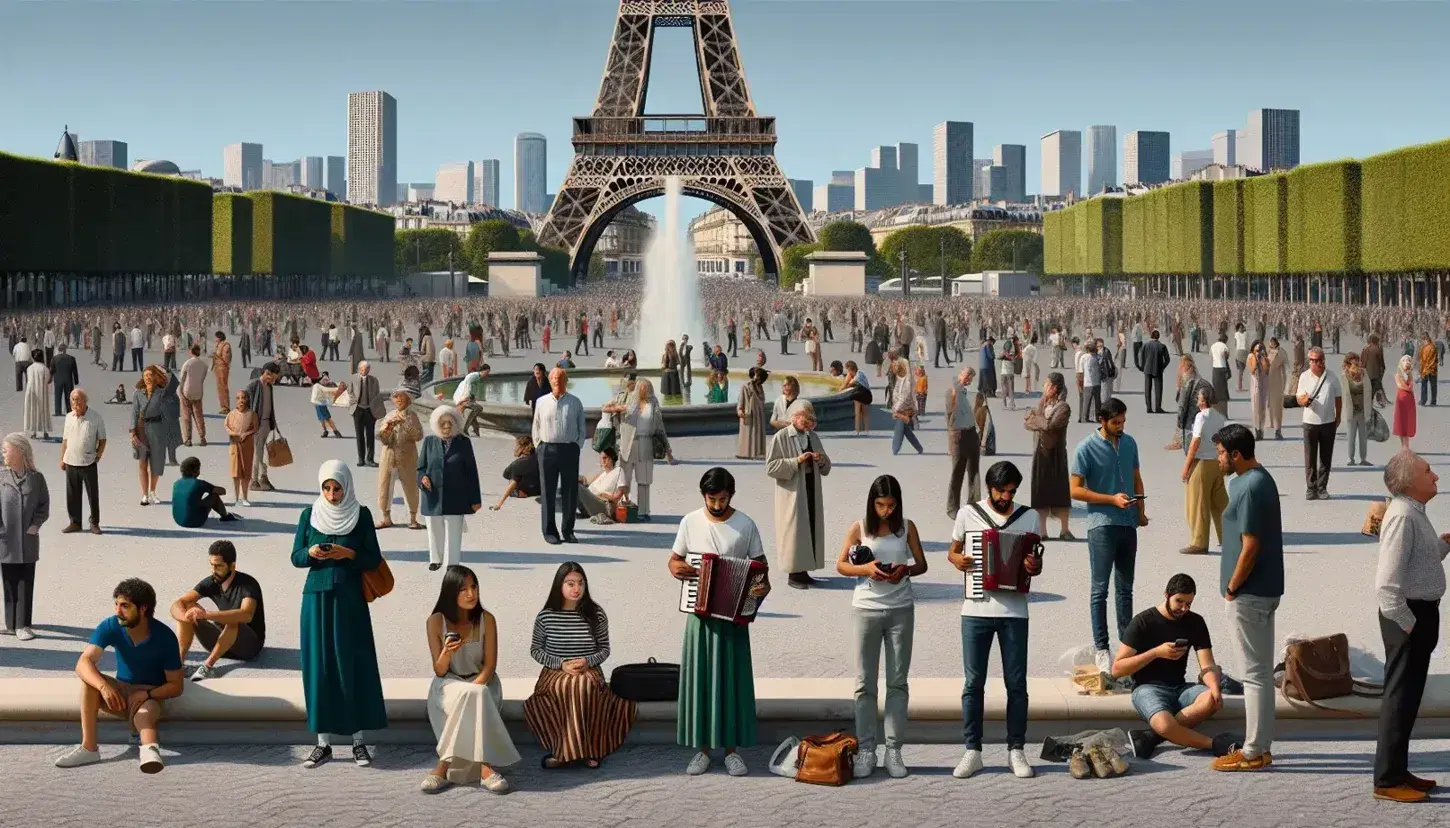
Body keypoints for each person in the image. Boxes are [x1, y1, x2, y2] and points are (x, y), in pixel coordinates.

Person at [669, 468, 770, 776]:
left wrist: (758, 591)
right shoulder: (690, 521)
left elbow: (761, 571)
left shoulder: (745, 524)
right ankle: (701, 750)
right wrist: (679, 569)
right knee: (700, 681)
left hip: (733, 618)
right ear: (704, 496)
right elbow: (674, 560)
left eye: (722, 499)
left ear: (731, 496)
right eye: (711, 499)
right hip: (699, 617)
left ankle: (731, 751)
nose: (716, 505)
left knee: (732, 682)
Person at [947, 461, 1044, 780]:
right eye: (1001, 490)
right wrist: (957, 560)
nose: (1006, 496)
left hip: (1015, 612)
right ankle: (972, 751)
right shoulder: (967, 513)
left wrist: (1033, 567)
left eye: (1012, 491)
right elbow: (953, 551)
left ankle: (1016, 750)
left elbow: (1035, 561)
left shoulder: (1030, 517)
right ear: (989, 487)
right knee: (973, 684)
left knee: (1017, 685)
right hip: (975, 610)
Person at [293, 461, 388, 768]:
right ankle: (323, 743)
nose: (332, 495)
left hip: (350, 600)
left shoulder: (361, 515)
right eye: (327, 488)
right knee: (319, 668)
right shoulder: (309, 514)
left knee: (352, 664)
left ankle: (359, 742)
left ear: (347, 487)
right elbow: (295, 556)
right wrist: (311, 553)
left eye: (337, 488)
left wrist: (349, 554)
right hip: (316, 599)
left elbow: (373, 557)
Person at [835, 475, 927, 778]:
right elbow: (841, 565)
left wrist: (906, 570)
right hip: (866, 609)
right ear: (871, 503)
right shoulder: (859, 527)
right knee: (864, 684)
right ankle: (866, 750)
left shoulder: (907, 527)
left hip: (901, 610)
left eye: (890, 505)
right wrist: (866, 569)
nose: (885, 511)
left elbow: (922, 564)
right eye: (880, 505)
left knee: (898, 683)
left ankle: (894, 750)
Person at [1372, 451, 1448, 802]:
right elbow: (1387, 587)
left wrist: (1442, 547)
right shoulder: (1402, 516)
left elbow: (1420, 559)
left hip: (1417, 615)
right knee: (1399, 699)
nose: (1435, 476)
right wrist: (1410, 626)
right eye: (1427, 471)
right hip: (1407, 617)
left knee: (1409, 697)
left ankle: (1398, 771)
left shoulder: (1414, 512)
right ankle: (1387, 781)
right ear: (1408, 482)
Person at [1211, 423, 1283, 773]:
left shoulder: (1251, 485)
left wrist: (1232, 586)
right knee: (1261, 674)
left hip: (1249, 594)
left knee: (1253, 676)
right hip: (1263, 590)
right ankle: (1261, 747)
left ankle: (1253, 750)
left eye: (1222, 453)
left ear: (1236, 455)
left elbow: (1251, 545)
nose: (1218, 459)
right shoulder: (1254, 480)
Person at [54, 579, 183, 773]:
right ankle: (89, 748)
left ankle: (149, 751)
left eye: (125, 606)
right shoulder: (111, 626)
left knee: (145, 713)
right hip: (120, 693)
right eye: (116, 604)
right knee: (89, 682)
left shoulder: (165, 637)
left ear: (143, 609)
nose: (117, 611)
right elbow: (83, 663)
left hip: (150, 695)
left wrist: (147, 694)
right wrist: (104, 687)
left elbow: (176, 685)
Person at [1114, 574, 1238, 760]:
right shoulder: (1143, 622)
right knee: (1164, 724)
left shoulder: (1195, 622)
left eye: (1189, 603)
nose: (1183, 608)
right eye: (1179, 601)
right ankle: (1214, 744)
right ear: (1166, 595)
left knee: (1211, 698)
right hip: (1147, 688)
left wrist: (1214, 687)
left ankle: (1151, 736)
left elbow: (1208, 665)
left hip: (1180, 688)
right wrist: (1155, 652)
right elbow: (1117, 669)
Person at [525, 562, 636, 769]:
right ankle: (580, 751)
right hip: (554, 672)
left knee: (582, 685)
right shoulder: (546, 616)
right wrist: (561, 665)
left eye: (581, 583)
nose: (576, 589)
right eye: (570, 584)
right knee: (566, 686)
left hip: (589, 670)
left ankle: (567, 753)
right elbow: (536, 650)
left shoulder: (596, 614)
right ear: (560, 586)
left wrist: (587, 661)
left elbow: (604, 649)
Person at [421, 564, 519, 794]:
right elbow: (440, 671)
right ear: (450, 592)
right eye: (463, 588)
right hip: (449, 684)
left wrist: (474, 689)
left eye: (474, 587)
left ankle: (442, 768)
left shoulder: (487, 619)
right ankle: (487, 769)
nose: (471, 593)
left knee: (475, 694)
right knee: (471, 696)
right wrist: (447, 652)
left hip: (483, 683)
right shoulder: (436, 621)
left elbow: (490, 666)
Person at [1070, 397, 1147, 673]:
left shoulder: (1129, 443)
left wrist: (1140, 512)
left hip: (1128, 524)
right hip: (1101, 524)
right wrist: (1110, 500)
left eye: (1123, 421)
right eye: (1116, 422)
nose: (1121, 427)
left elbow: (1137, 477)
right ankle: (1102, 648)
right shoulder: (1085, 448)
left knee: (1125, 590)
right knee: (1099, 590)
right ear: (1102, 421)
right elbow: (1075, 490)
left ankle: (1126, 650)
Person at [170, 540, 266, 681]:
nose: (213, 570)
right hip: (222, 644)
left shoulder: (248, 584)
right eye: (212, 565)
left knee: (234, 621)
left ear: (232, 566)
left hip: (248, 647)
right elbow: (177, 604)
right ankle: (179, 664)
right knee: (189, 607)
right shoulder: (212, 581)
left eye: (219, 566)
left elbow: (246, 615)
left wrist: (207, 615)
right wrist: (187, 617)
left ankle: (208, 667)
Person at [766, 400, 832, 589]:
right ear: (794, 416)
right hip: (792, 492)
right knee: (794, 531)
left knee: (810, 526)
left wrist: (821, 460)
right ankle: (794, 574)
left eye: (811, 418)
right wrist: (796, 461)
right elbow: (771, 467)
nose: (808, 422)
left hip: (811, 487)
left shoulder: (813, 437)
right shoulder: (781, 437)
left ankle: (804, 571)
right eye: (805, 417)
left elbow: (827, 467)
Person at [418, 406, 481, 571]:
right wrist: (422, 478)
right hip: (433, 495)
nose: (446, 427)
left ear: (456, 424)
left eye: (449, 423)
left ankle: (452, 562)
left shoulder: (464, 442)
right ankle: (435, 559)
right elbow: (420, 468)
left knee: (454, 530)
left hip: (456, 495)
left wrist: (475, 499)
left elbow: (471, 472)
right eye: (442, 423)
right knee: (433, 528)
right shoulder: (429, 441)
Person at [1, 434, 49, 641]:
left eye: (6, 449)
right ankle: (10, 624)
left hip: (28, 540)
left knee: (25, 582)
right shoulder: (1, 477)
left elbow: (43, 505)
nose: (3, 452)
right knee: (9, 581)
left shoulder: (36, 478)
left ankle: (24, 625)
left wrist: (35, 524)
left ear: (19, 451)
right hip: (5, 539)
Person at [533, 368, 586, 546]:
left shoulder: (575, 402)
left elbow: (582, 427)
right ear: (550, 380)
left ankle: (568, 530)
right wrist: (539, 446)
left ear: (566, 380)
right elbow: (536, 425)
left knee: (570, 491)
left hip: (569, 449)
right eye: (554, 378)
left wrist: (577, 446)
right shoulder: (541, 402)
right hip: (547, 449)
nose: (557, 381)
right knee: (547, 491)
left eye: (561, 378)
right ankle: (549, 531)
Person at [1024, 371, 1072, 539]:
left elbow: (1051, 425)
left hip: (1057, 453)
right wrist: (1037, 419)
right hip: (1040, 452)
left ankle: (1065, 530)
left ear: (1054, 387)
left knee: (1060, 491)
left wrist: (1036, 419)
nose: (1044, 386)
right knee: (1040, 491)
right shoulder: (1042, 404)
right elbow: (1027, 422)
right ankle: (1042, 531)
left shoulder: (1063, 407)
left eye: (1046, 384)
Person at [1180, 386, 1227, 555]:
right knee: (1220, 503)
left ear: (1203, 400)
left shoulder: (1201, 417)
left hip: (1201, 463)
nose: (1196, 399)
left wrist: (1186, 466)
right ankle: (1228, 537)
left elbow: (1195, 442)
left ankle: (1199, 542)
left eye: (1198, 397)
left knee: (1198, 504)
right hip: (1216, 463)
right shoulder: (1220, 417)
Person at [617, 377, 666, 521]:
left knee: (644, 479)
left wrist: (667, 449)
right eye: (641, 387)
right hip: (629, 442)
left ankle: (644, 511)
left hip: (646, 442)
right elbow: (617, 414)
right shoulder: (629, 400)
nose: (643, 390)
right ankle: (625, 507)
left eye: (646, 387)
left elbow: (659, 425)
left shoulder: (654, 402)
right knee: (624, 477)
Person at [1298, 346, 1342, 500]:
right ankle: (1311, 488)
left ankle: (1322, 487)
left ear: (1323, 361)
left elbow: (1338, 397)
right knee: (1310, 457)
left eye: (1316, 360)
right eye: (1311, 360)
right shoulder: (1304, 376)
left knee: (1325, 456)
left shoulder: (1332, 378)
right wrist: (1304, 400)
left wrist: (1338, 416)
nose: (1313, 363)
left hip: (1328, 421)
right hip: (1310, 422)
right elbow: (1299, 397)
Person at [60, 389, 105, 534]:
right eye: (73, 399)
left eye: (78, 399)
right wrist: (62, 459)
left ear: (85, 401)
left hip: (88, 462)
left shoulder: (96, 417)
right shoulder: (68, 417)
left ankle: (94, 523)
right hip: (70, 461)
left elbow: (103, 439)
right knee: (72, 494)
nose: (75, 402)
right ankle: (75, 522)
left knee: (92, 494)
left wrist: (98, 456)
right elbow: (65, 440)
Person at [131, 366, 178, 505]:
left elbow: (173, 382)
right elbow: (133, 413)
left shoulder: (161, 393)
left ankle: (153, 491)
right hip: (141, 429)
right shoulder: (138, 394)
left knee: (156, 463)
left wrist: (162, 368)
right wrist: (132, 432)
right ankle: (144, 495)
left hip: (158, 429)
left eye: (150, 375)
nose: (148, 378)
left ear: (155, 377)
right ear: (142, 378)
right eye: (145, 376)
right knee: (142, 462)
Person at [945, 367, 981, 518]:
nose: (968, 380)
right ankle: (952, 508)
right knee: (957, 473)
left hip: (971, 433)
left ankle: (974, 505)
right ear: (960, 375)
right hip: (958, 435)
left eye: (970, 378)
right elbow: (950, 415)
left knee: (974, 472)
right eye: (966, 376)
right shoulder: (953, 391)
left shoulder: (964, 393)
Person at [243, 362, 281, 492]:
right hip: (256, 425)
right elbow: (244, 405)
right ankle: (254, 480)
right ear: (267, 373)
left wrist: (273, 422)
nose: (275, 380)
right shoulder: (253, 385)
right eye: (274, 377)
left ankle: (262, 477)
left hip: (266, 424)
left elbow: (270, 405)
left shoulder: (269, 387)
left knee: (262, 452)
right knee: (258, 453)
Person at [171, 456, 240, 526]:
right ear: (196, 470)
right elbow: (222, 491)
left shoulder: (176, 484)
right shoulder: (199, 483)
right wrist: (210, 488)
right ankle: (225, 516)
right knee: (214, 495)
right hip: (196, 522)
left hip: (178, 521)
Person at [224, 391, 258, 506]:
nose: (241, 400)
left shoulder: (252, 414)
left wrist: (246, 433)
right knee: (235, 472)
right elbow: (227, 426)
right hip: (234, 445)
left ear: (247, 399)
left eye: (243, 398)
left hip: (247, 445)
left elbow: (255, 428)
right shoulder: (231, 414)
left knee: (246, 472)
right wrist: (234, 433)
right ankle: (236, 497)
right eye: (238, 398)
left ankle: (245, 497)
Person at [576, 446, 626, 523]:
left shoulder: (618, 471)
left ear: (611, 459)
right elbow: (587, 481)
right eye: (601, 458)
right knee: (568, 486)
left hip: (603, 505)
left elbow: (619, 495)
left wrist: (605, 496)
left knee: (577, 487)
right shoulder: (602, 474)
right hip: (590, 503)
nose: (602, 461)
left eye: (605, 458)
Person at [350, 361, 385, 468]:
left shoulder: (374, 381)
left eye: (366, 369)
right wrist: (353, 404)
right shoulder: (353, 379)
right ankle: (361, 458)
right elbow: (349, 392)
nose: (364, 371)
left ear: (369, 370)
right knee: (359, 435)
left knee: (370, 435)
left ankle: (370, 459)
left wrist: (374, 409)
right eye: (362, 369)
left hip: (370, 411)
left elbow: (377, 395)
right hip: (358, 410)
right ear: (359, 369)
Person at [493, 436, 541, 510]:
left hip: (524, 493)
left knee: (513, 479)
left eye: (516, 446)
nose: (515, 448)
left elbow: (512, 484)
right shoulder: (541, 457)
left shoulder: (518, 464)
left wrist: (499, 504)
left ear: (523, 447)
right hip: (540, 491)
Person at [1343, 353, 1373, 467]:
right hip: (1351, 410)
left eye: (1356, 361)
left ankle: (1363, 459)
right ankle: (1350, 458)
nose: (1355, 363)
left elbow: (1369, 391)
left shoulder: (1364, 374)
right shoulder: (1344, 375)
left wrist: (1369, 410)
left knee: (1363, 437)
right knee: (1351, 437)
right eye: (1352, 361)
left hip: (1362, 410)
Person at [889, 358, 923, 455]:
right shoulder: (900, 378)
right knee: (906, 430)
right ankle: (919, 448)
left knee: (899, 430)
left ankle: (895, 449)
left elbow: (905, 396)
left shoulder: (907, 380)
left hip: (905, 410)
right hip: (902, 409)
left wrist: (895, 411)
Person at [178, 344, 209, 447]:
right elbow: (203, 378)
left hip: (187, 391)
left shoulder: (187, 363)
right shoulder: (204, 365)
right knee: (199, 415)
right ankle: (202, 437)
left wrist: (180, 392)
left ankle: (188, 439)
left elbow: (182, 379)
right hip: (198, 391)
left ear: (191, 352)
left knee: (186, 416)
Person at [735, 367, 767, 459]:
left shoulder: (760, 387)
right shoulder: (745, 386)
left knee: (757, 433)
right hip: (748, 412)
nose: (758, 378)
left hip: (758, 414)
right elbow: (741, 399)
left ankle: (758, 452)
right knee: (747, 433)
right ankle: (745, 453)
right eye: (757, 375)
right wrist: (740, 409)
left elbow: (762, 399)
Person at [1140, 329, 1171, 413]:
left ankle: (1149, 408)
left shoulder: (1146, 345)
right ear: (1158, 337)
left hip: (1147, 369)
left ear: (1151, 336)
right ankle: (1158, 407)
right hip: (1158, 369)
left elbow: (1142, 357)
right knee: (1158, 389)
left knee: (1147, 389)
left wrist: (1143, 367)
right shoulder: (1162, 346)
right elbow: (1167, 359)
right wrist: (1162, 367)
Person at [23, 348, 50, 439]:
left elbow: (28, 380)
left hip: (31, 391)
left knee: (33, 410)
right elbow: (47, 380)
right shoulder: (45, 368)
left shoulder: (29, 368)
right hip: (42, 391)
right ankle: (45, 432)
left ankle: (34, 432)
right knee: (43, 410)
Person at [1246, 339, 1269, 439]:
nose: (1259, 351)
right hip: (1255, 384)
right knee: (1256, 408)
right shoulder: (1250, 357)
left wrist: (1263, 357)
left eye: (1261, 349)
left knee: (1263, 408)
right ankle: (1256, 429)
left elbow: (1267, 370)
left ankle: (1261, 429)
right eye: (1257, 349)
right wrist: (1255, 356)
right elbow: (1252, 369)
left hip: (1263, 384)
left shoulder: (1264, 358)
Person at [1393, 354, 1416, 451]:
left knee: (1408, 422)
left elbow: (1411, 384)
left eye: (1408, 360)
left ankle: (1406, 445)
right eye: (1405, 360)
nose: (1407, 362)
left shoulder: (1409, 374)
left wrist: (1410, 387)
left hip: (1409, 400)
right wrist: (1409, 389)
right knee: (1401, 422)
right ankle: (1403, 445)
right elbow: (1401, 385)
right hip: (1402, 400)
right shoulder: (1398, 374)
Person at [51, 341, 79, 416]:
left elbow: (52, 370)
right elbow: (75, 371)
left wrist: (50, 379)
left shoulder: (54, 358)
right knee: (69, 396)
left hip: (58, 380)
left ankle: (58, 411)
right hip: (68, 380)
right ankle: (69, 411)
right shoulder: (71, 358)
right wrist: (76, 381)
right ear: (65, 350)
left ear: (59, 350)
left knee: (57, 396)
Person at [212, 331, 232, 414]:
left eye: (216, 337)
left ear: (219, 337)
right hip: (217, 369)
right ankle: (223, 406)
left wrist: (216, 355)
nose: (215, 339)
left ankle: (226, 407)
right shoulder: (218, 345)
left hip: (223, 369)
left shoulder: (226, 346)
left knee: (223, 388)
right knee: (220, 388)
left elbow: (226, 359)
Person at [1418, 334, 1437, 406]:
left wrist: (1421, 369)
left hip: (1425, 369)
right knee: (1433, 385)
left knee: (1424, 385)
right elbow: (1436, 359)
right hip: (1433, 369)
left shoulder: (1423, 348)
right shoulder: (1433, 347)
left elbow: (1422, 360)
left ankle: (1423, 401)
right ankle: (1433, 401)